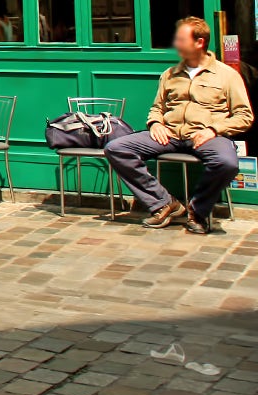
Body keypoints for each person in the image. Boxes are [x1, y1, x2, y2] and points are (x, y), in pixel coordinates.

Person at [104, 17, 253, 234]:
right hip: (171, 134)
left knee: (227, 163)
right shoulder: (170, 75)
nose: (176, 44)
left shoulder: (227, 75)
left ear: (199, 42)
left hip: (207, 136)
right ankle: (164, 204)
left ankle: (197, 211)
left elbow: (244, 115)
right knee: (116, 148)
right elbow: (157, 108)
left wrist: (214, 130)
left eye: (182, 39)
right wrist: (155, 123)